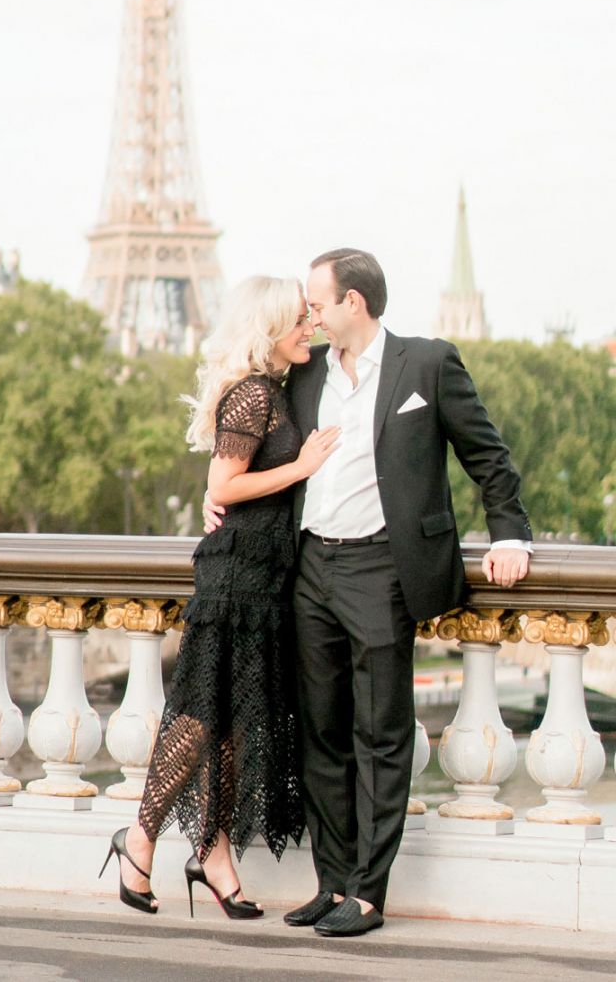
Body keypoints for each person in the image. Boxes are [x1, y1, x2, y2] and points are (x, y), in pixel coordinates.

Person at [204, 247, 531, 940]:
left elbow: (488, 456)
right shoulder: (305, 371)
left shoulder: (427, 364)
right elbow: (250, 447)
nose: (310, 315)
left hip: (384, 569)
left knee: (380, 733)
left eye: (318, 304)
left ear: (355, 302)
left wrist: (510, 536)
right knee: (320, 732)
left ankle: (368, 893)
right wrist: (215, 497)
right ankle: (331, 882)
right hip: (310, 567)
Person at [100, 275, 342, 918]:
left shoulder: (282, 385)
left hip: (263, 576)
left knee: (231, 722)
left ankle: (212, 852)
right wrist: (301, 467)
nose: (309, 330)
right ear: (269, 329)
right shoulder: (253, 394)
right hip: (235, 577)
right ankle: (140, 841)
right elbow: (225, 485)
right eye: (298, 322)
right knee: (201, 713)